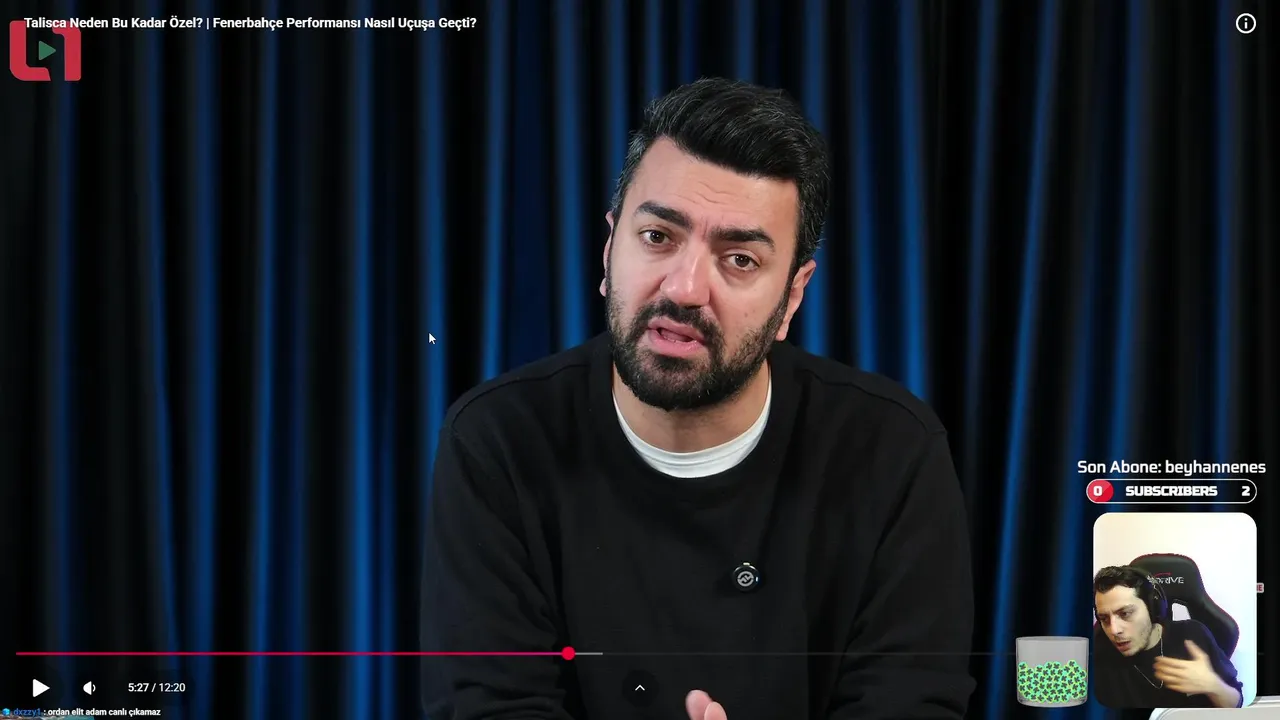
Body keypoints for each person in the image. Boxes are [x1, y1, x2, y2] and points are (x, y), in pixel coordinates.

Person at [420, 77, 975, 720]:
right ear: (609, 247)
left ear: (792, 296)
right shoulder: (499, 441)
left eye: (739, 259)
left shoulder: (891, 452)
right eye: (658, 236)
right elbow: (488, 706)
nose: (684, 289)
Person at [1092, 566, 1244, 709]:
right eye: (1104, 618)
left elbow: (1235, 704)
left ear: (1152, 608)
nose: (1114, 630)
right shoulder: (1098, 651)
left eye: (1125, 614)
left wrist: (1214, 687)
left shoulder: (1193, 635)